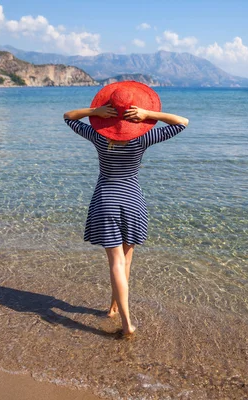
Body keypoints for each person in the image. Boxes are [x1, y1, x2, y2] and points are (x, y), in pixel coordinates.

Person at [63, 81, 189, 337]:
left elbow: (68, 117)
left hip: (106, 200)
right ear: (134, 112)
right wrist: (149, 115)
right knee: (126, 261)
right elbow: (181, 122)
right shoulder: (143, 138)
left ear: (109, 109)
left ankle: (121, 317)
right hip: (132, 201)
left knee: (116, 263)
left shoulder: (98, 135)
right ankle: (121, 316)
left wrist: (94, 112)